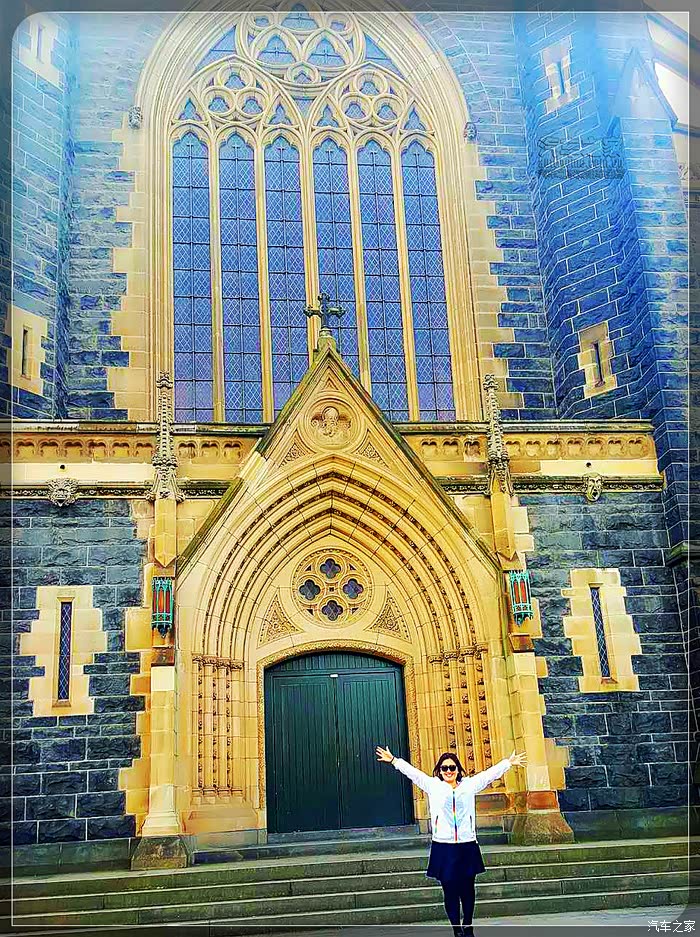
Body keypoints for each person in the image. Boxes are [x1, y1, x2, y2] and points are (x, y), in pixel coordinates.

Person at [376, 744, 526, 937]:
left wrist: (508, 763)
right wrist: (394, 760)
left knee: (467, 889)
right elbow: (413, 773)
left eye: (452, 767)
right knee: (450, 890)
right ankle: (456, 929)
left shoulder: (469, 785)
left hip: (467, 845)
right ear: (439, 770)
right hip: (444, 847)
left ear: (458, 769)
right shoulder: (433, 786)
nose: (448, 771)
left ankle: (468, 925)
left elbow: (488, 775)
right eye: (444, 768)